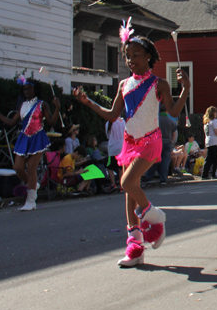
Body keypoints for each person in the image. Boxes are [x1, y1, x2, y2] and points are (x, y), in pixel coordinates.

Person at [73, 18, 189, 267]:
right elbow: (113, 115)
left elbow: (173, 112)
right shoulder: (124, 84)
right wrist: (88, 103)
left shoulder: (159, 84)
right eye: (128, 56)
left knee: (127, 183)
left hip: (151, 141)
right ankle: (135, 248)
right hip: (129, 142)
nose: (131, 60)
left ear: (149, 56)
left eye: (136, 55)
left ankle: (156, 217)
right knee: (128, 194)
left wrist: (186, 90)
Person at [0, 76, 61, 211]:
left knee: (31, 170)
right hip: (24, 138)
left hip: (37, 137)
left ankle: (31, 201)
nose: (26, 91)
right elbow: (12, 122)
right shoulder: (22, 105)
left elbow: (51, 122)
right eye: (24, 89)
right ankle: (33, 185)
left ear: (35, 90)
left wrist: (57, 108)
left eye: (29, 89)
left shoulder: (42, 104)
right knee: (17, 167)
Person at [201, 106, 217, 180]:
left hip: (208, 141)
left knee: (209, 159)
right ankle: (215, 174)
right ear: (213, 113)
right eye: (215, 112)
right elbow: (216, 132)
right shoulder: (214, 121)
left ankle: (204, 174)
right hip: (215, 141)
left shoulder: (206, 123)